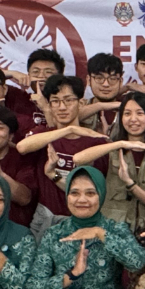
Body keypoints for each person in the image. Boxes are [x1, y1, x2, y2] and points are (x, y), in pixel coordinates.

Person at [16, 74, 106, 222]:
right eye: (55, 101)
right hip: (46, 217)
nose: (62, 107)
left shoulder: (95, 141)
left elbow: (94, 191)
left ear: (81, 103)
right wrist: (68, 130)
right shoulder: (43, 134)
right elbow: (21, 147)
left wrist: (54, 175)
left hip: (83, 218)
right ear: (49, 105)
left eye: (68, 100)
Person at [72, 92, 145, 232]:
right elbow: (78, 159)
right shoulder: (111, 151)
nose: (133, 119)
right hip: (113, 231)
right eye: (127, 114)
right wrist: (119, 144)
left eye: (140, 113)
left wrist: (131, 184)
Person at [5, 48, 65, 129]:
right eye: (35, 72)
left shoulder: (66, 102)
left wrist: (46, 109)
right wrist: (12, 73)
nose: (41, 76)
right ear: (28, 74)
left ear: (60, 76)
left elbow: (62, 137)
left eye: (48, 72)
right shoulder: (17, 96)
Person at [78, 52, 126, 134]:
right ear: (88, 80)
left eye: (112, 78)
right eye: (99, 78)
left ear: (120, 81)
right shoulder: (81, 106)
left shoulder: (129, 107)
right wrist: (99, 106)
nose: (106, 84)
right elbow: (66, 121)